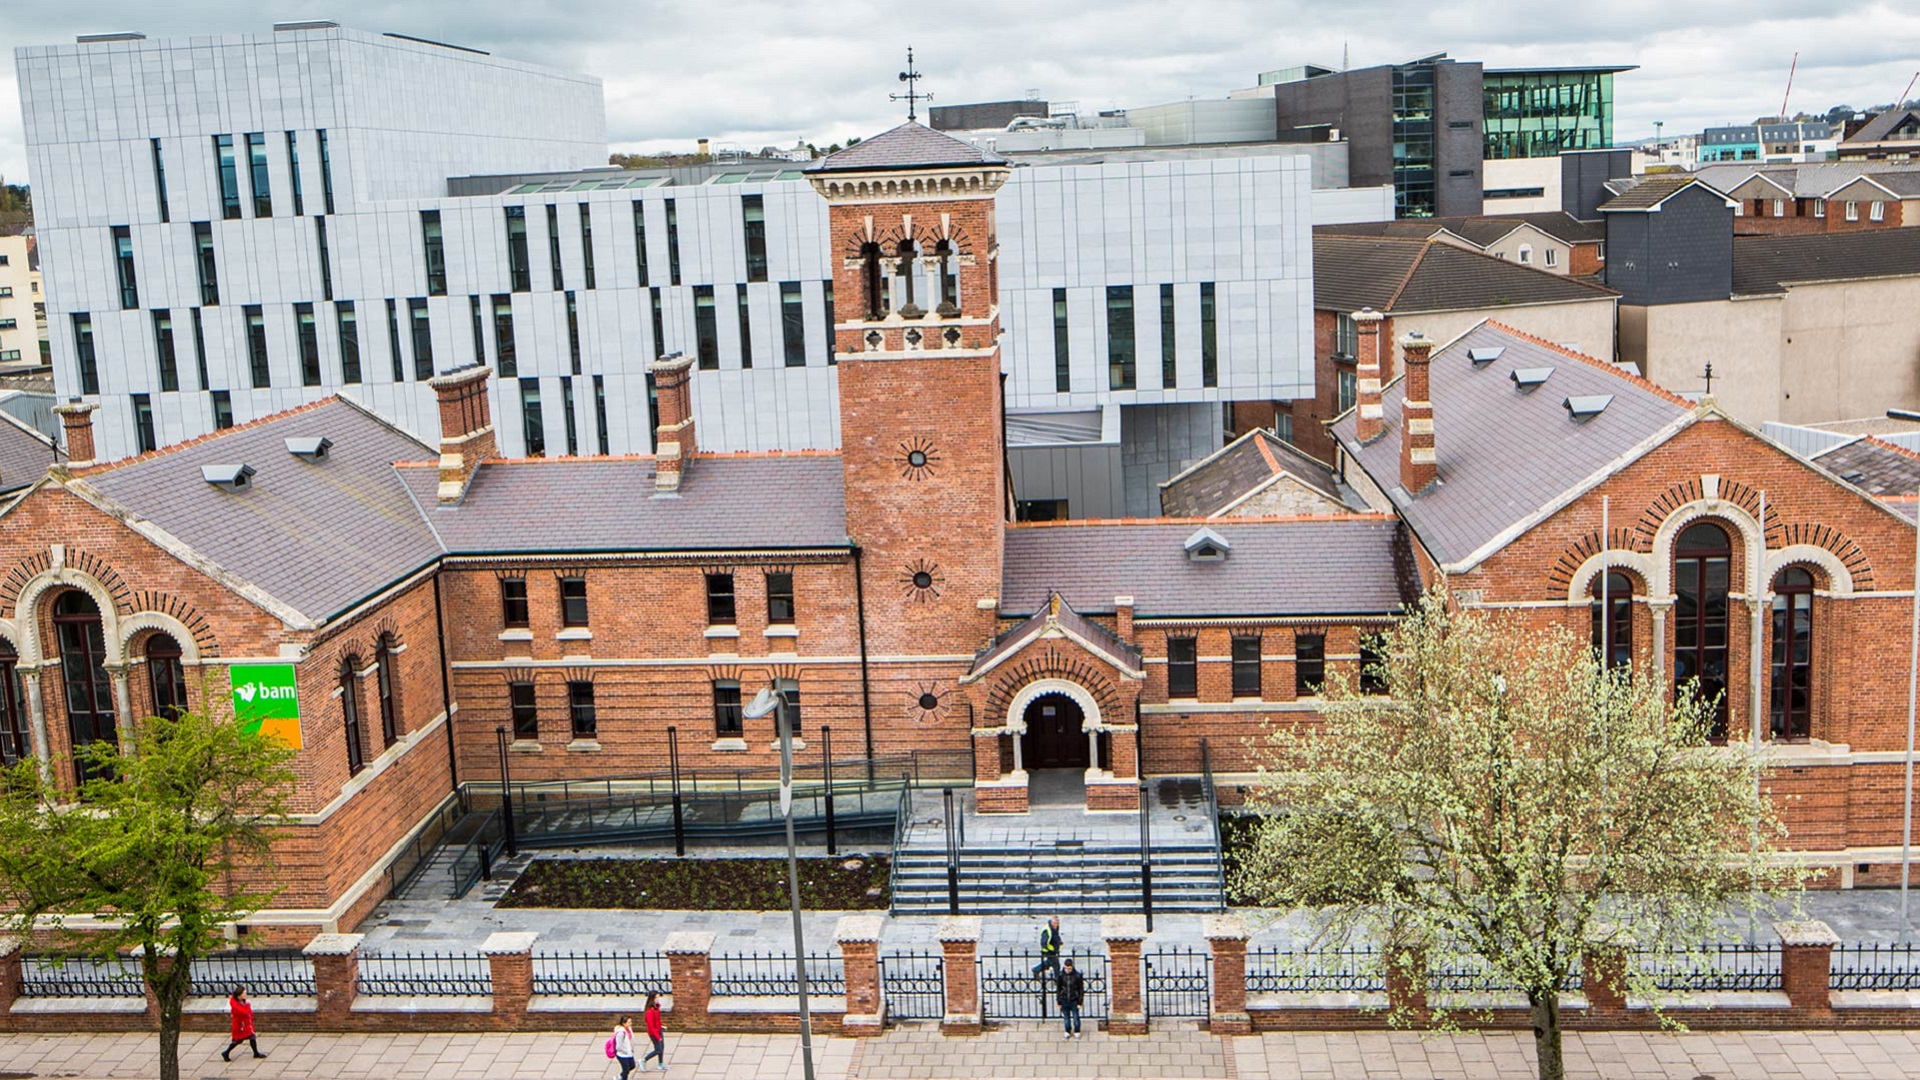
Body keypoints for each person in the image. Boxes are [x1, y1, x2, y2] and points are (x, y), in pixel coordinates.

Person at [221, 985, 266, 1061]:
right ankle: (226, 1052)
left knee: (252, 1037)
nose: (246, 995)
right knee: (237, 1040)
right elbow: (245, 1012)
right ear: (239, 995)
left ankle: (256, 1053)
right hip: (240, 1026)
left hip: (245, 1024)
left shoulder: (240, 1001)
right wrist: (248, 1006)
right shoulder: (237, 1006)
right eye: (244, 993)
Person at [1057, 958, 1085, 1039]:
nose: (1067, 970)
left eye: (1069, 968)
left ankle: (1077, 1030)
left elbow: (1081, 990)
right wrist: (1059, 1001)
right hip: (1064, 999)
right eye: (1066, 968)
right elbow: (1059, 989)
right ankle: (1067, 1030)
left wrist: (1080, 1001)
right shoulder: (1061, 975)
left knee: (1076, 1017)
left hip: (1074, 1000)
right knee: (1066, 1017)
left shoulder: (1077, 976)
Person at [640, 992, 667, 1072]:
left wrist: (661, 1026)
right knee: (658, 1049)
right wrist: (658, 1037)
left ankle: (660, 1064)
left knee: (662, 1047)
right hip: (654, 1033)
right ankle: (644, 1060)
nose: (658, 999)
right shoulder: (649, 1012)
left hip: (658, 1030)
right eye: (656, 998)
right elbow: (651, 1027)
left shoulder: (656, 1008)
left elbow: (657, 1020)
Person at [612, 1015, 637, 1080]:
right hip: (622, 1055)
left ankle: (620, 1076)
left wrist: (631, 1049)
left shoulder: (629, 1028)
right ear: (623, 1023)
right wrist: (626, 1051)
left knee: (632, 1066)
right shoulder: (621, 1033)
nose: (630, 1023)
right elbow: (618, 1047)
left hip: (629, 1053)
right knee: (626, 1070)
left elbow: (630, 1039)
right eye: (629, 1022)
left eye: (631, 1022)